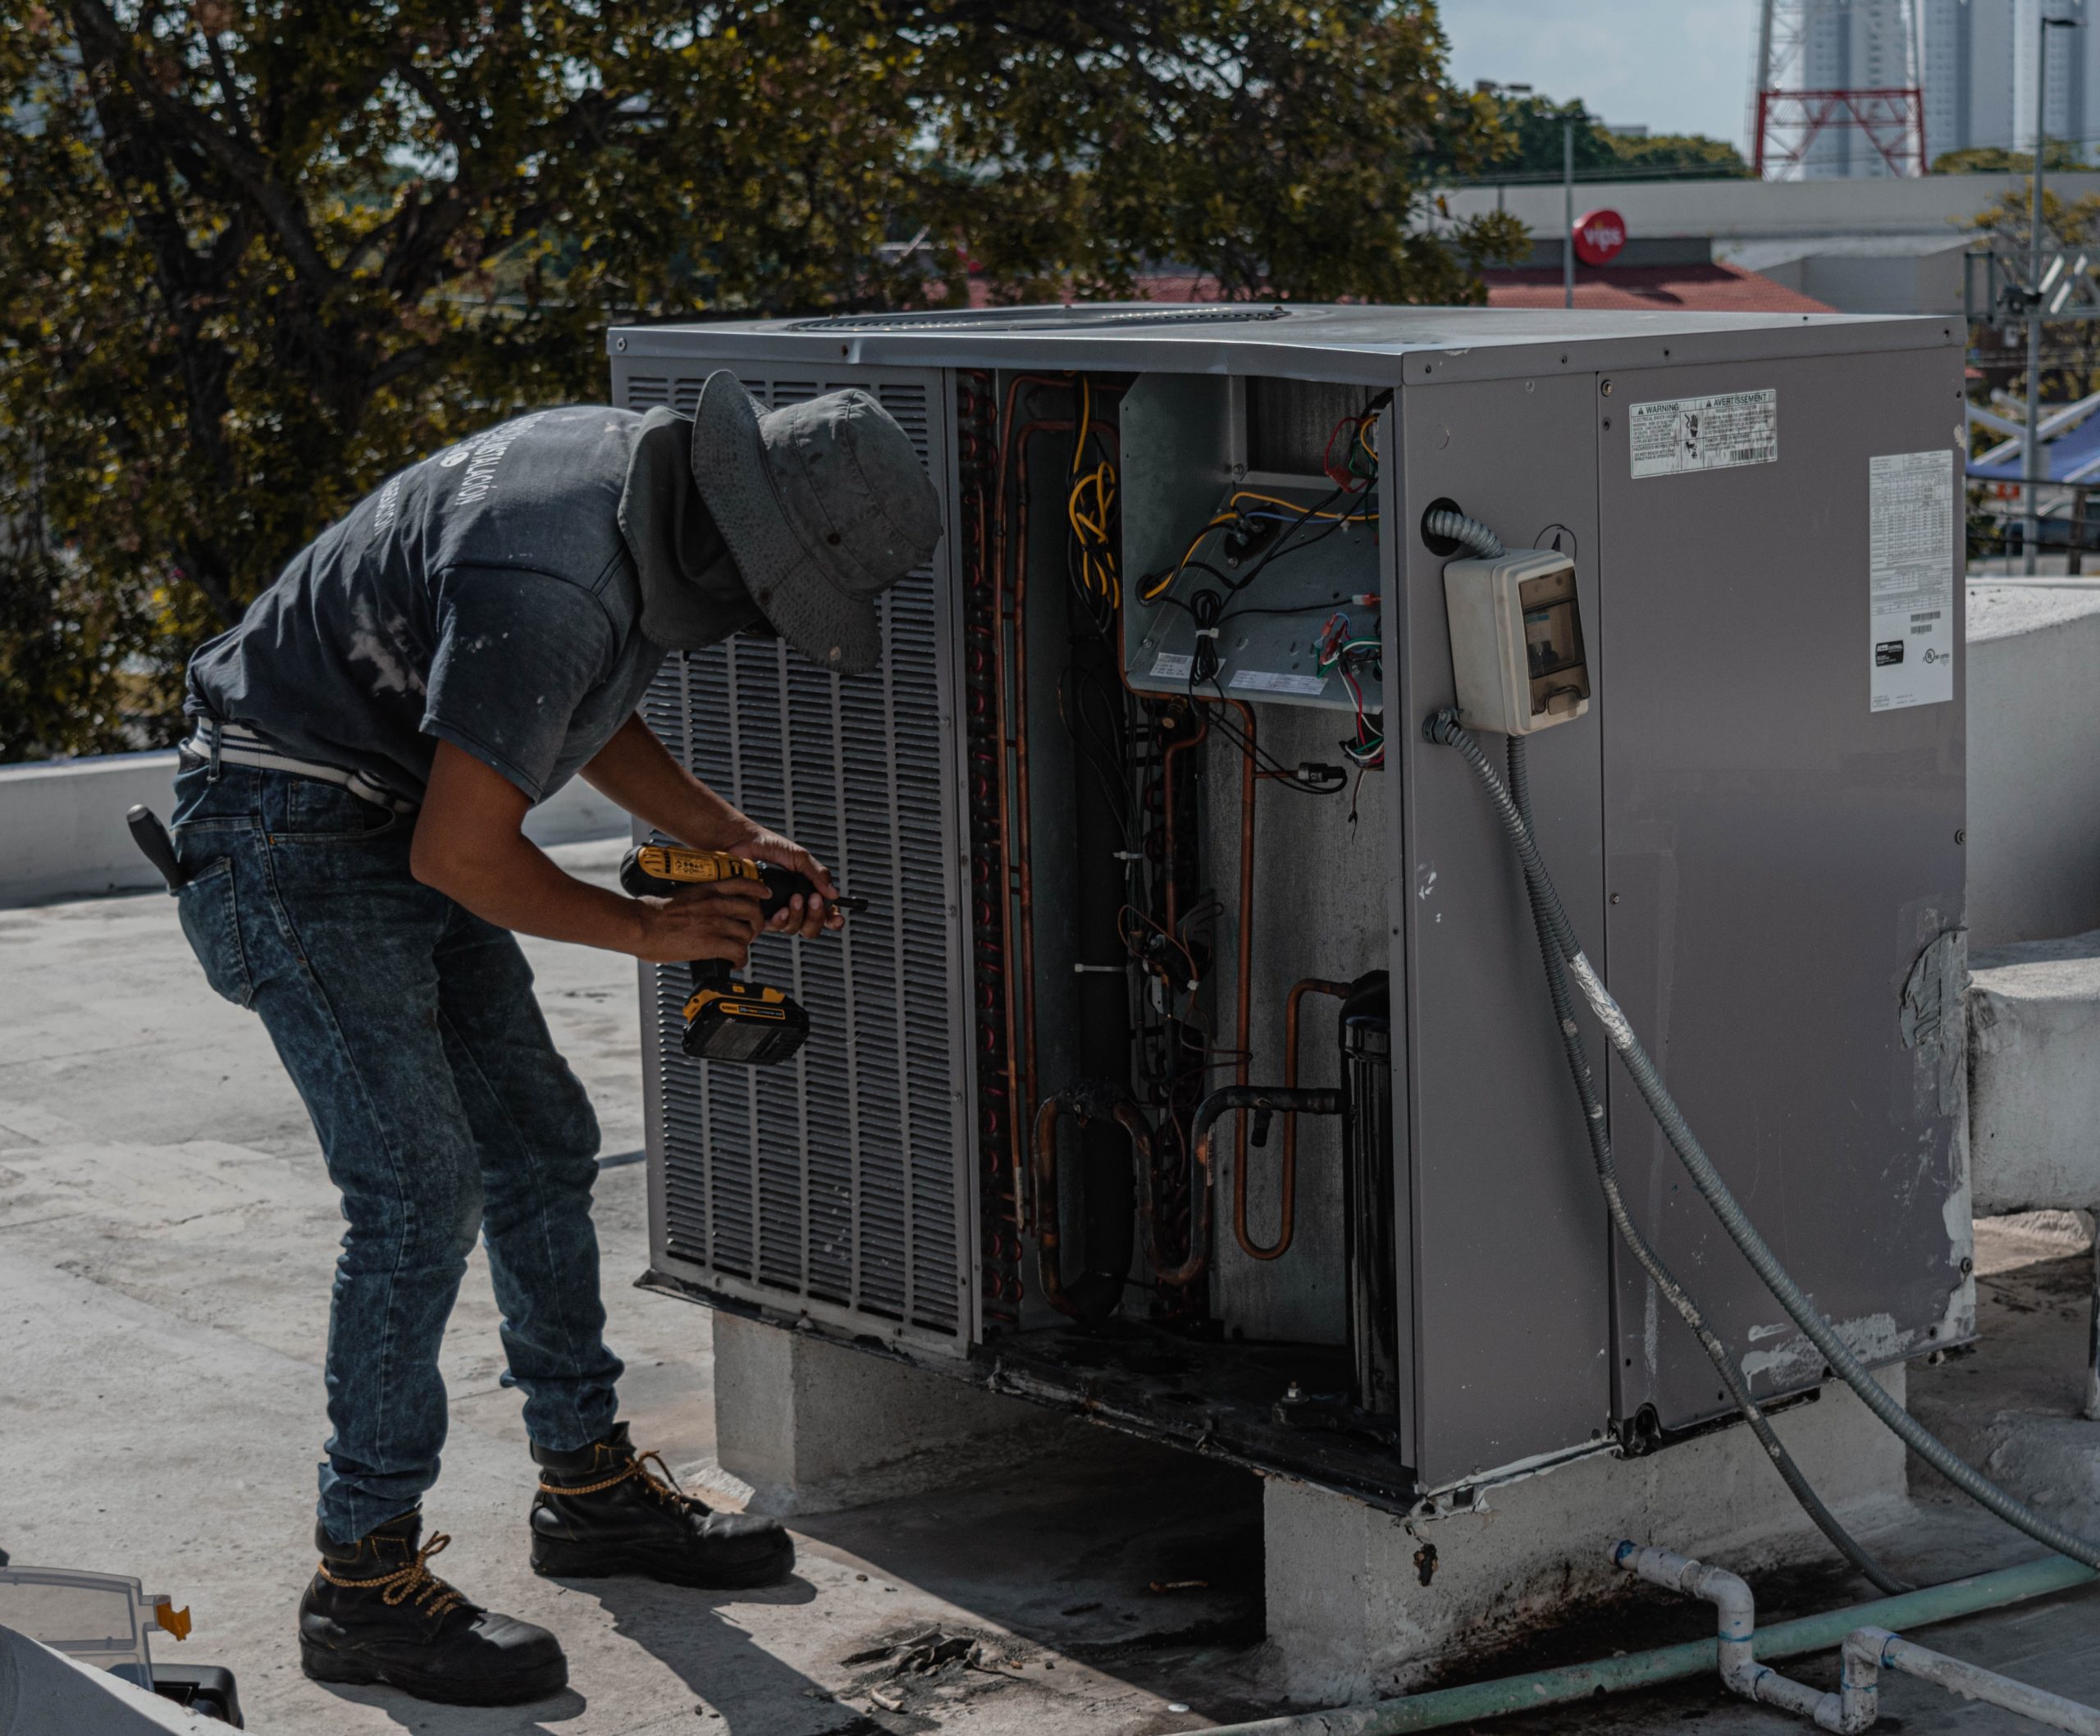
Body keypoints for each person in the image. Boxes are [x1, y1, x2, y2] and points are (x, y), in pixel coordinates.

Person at [168, 372, 942, 1707]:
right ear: (739, 548)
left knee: (541, 1142)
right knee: (419, 1190)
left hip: (369, 806)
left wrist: (729, 836)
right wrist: (651, 932)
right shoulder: (556, 572)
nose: (756, 629)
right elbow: (464, 850)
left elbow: (557, 702)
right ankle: (359, 1583)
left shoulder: (619, 479)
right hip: (283, 836)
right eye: (771, 604)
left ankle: (587, 1492)